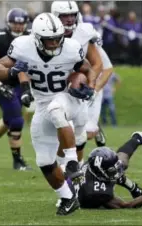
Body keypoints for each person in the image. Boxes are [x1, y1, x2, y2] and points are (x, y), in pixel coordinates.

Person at [0, 13, 96, 215]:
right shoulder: (23, 46)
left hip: (67, 99)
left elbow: (86, 68)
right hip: (42, 103)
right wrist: (12, 73)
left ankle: (72, 162)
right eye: (50, 39)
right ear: (37, 38)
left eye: (58, 37)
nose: (56, 42)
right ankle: (67, 197)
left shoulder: (71, 48)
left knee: (56, 110)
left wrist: (86, 85)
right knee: (44, 161)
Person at [51, 1, 113, 167]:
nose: (70, 20)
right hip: (63, 87)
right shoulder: (48, 33)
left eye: (72, 15)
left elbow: (101, 66)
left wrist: (91, 88)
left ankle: (75, 165)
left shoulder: (85, 33)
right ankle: (69, 165)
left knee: (85, 133)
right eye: (65, 15)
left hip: (86, 85)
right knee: (66, 130)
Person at [0, 8, 31, 170]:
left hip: (20, 81)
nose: (18, 26)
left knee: (9, 119)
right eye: (15, 23)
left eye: (21, 23)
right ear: (8, 23)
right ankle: (17, 160)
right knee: (17, 119)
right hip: (1, 81)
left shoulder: (31, 36)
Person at [71, 131, 142, 209]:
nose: (117, 171)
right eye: (112, 170)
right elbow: (126, 205)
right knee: (115, 174)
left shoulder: (94, 167)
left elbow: (112, 169)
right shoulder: (96, 192)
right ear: (99, 172)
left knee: (122, 163)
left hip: (97, 177)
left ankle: (137, 139)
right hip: (87, 197)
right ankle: (132, 186)